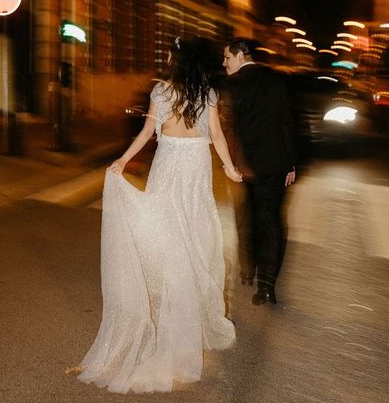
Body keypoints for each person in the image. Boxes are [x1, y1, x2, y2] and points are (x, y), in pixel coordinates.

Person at [77, 36, 242, 394]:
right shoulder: (209, 94)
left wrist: (123, 159)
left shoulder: (161, 92)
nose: (166, 56)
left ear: (176, 60)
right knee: (195, 244)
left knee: (165, 243)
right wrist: (228, 167)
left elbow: (148, 132)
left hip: (169, 167)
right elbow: (216, 135)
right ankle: (186, 318)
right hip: (195, 170)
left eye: (170, 53)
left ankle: (166, 312)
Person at [223, 37, 296, 308]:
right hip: (274, 164)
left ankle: (246, 270)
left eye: (227, 57)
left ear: (242, 56)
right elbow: (287, 123)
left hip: (246, 165)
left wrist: (231, 162)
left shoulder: (232, 84)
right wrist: (290, 163)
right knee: (270, 222)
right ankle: (267, 287)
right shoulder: (278, 80)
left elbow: (230, 127)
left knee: (247, 217)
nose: (224, 63)